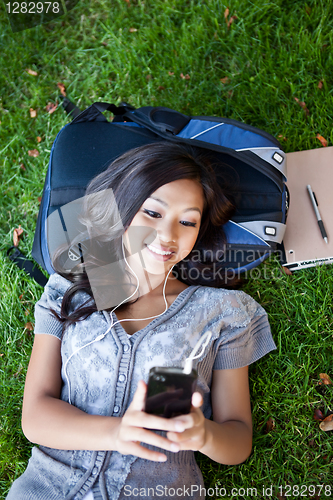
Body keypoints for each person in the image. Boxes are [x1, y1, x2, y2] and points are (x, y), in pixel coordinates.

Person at [6, 142, 276, 500]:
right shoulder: (71, 289)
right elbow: (35, 417)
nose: (168, 235)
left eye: (187, 221)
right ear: (123, 208)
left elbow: (238, 438)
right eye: (152, 212)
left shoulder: (222, 311)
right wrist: (118, 432)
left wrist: (204, 435)